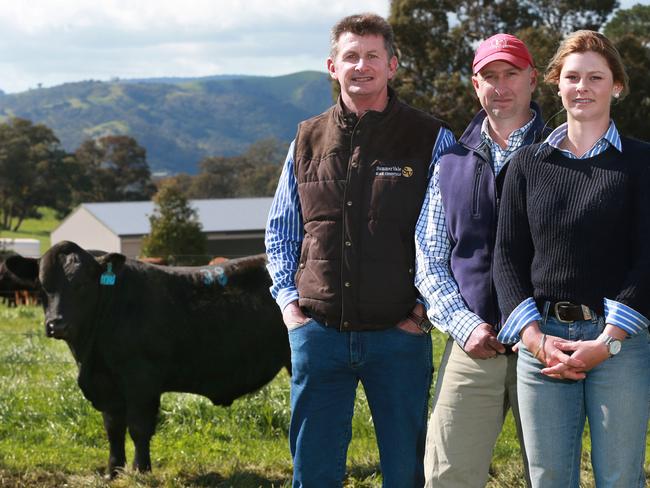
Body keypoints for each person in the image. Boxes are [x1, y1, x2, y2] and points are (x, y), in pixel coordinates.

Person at [265, 12, 454, 487]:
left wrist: (419, 315)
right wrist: (291, 309)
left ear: (392, 65)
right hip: (318, 334)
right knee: (313, 473)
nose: (361, 65)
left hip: (399, 336)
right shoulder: (305, 138)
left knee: (406, 472)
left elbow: (451, 235)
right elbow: (282, 232)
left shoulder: (431, 137)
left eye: (373, 55)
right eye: (351, 56)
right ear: (333, 67)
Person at [494, 30, 650, 488]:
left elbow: (648, 258)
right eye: (573, 77)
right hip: (543, 345)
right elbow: (507, 257)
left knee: (620, 478)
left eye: (596, 78)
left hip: (619, 344)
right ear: (557, 84)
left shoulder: (642, 163)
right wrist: (536, 339)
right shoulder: (526, 163)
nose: (583, 87)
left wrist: (607, 341)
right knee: (547, 479)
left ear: (616, 86)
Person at [415, 33, 545, 487]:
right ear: (476, 85)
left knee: (549, 477)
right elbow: (429, 257)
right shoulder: (449, 162)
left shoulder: (565, 153)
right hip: (475, 343)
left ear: (533, 79)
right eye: (490, 76)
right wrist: (464, 325)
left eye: (511, 74)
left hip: (547, 344)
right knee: (448, 473)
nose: (501, 86)